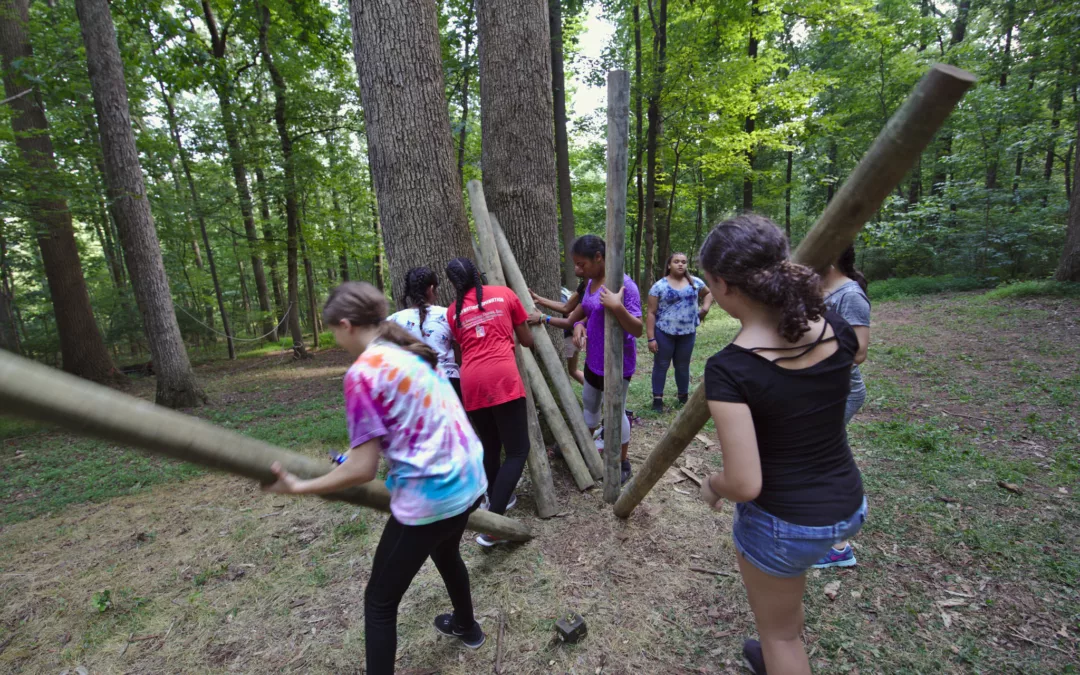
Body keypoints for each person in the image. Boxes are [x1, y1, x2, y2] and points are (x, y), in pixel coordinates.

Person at [262, 281, 488, 674]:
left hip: (434, 495)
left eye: (333, 331)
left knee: (379, 602)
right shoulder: (405, 351)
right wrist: (353, 454)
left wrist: (301, 487)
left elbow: (363, 471)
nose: (335, 339)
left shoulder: (363, 372)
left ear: (347, 325)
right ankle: (467, 626)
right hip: (469, 480)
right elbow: (409, 422)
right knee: (446, 552)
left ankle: (464, 625)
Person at [695, 215, 867, 675]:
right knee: (783, 615)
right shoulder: (838, 330)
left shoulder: (730, 369)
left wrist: (712, 483)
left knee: (781, 636)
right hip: (847, 506)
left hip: (784, 524)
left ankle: (780, 652)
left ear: (723, 285)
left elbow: (745, 483)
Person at [529, 235, 642, 485]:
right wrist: (547, 319)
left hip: (618, 364)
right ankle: (583, 447)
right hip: (593, 361)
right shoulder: (591, 283)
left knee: (616, 412)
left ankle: (623, 462)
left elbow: (638, 329)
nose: (578, 270)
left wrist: (617, 306)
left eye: (582, 264)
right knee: (590, 408)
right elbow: (573, 319)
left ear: (599, 258)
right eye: (576, 265)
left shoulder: (624, 285)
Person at [445, 257, 534, 546]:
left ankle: (494, 498)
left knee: (491, 445)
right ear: (477, 274)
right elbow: (526, 340)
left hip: (472, 381)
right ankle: (494, 524)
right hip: (502, 378)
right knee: (518, 450)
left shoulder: (452, 311)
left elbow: (460, 349)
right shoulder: (505, 294)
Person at [812, 244, 871, 569]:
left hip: (841, 391)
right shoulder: (819, 288)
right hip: (818, 390)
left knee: (821, 460)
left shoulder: (849, 294)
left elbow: (858, 351)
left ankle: (838, 545)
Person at [647, 252, 713, 412]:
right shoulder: (659, 286)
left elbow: (709, 293)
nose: (680, 264)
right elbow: (651, 312)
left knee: (683, 366)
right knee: (661, 365)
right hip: (664, 332)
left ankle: (683, 398)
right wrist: (651, 338)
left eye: (683, 262)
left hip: (688, 333)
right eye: (676, 261)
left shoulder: (695, 283)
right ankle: (657, 401)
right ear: (669, 265)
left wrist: (705, 309)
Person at [388, 266, 462, 400]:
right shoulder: (448, 314)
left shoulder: (393, 320)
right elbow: (459, 351)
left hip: (410, 384)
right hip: (447, 383)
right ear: (432, 288)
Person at [530, 279, 586, 385]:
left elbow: (570, 318)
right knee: (573, 370)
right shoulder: (578, 288)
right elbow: (566, 308)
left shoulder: (589, 287)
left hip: (573, 336)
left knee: (573, 370)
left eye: (580, 264)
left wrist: (543, 317)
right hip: (576, 335)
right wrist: (540, 300)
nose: (576, 268)